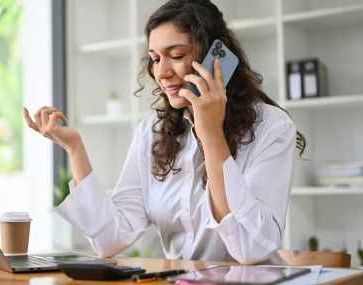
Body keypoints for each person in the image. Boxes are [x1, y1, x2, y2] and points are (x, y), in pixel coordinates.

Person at [23, 0, 306, 265]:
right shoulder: (152, 133)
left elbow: (250, 249)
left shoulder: (272, 127)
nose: (162, 72)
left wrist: (210, 134)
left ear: (217, 55)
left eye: (176, 55)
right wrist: (74, 148)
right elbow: (110, 239)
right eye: (156, 59)